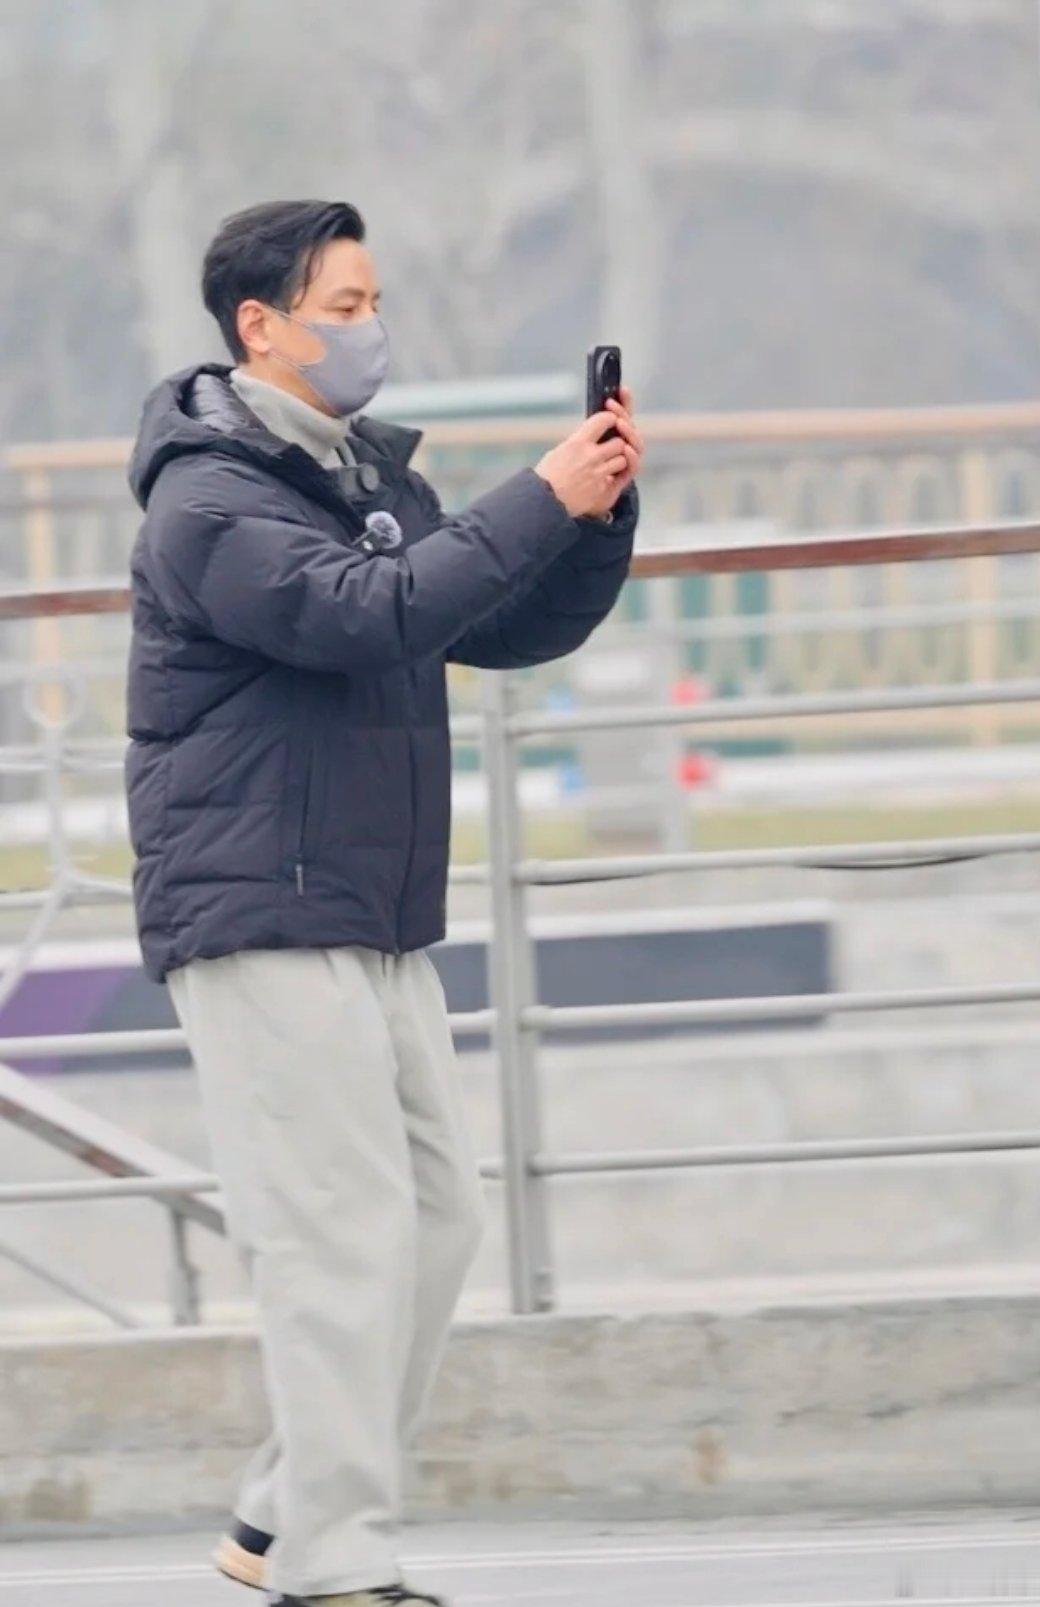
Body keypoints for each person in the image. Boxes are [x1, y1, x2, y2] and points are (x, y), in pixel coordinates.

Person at [122, 198, 643, 1607]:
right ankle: (335, 1562)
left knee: (435, 1219)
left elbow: (496, 618)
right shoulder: (209, 499)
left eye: (372, 302)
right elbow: (365, 614)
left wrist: (594, 512)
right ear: (261, 328)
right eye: (344, 308)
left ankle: (279, 1514)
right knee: (337, 1237)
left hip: (370, 903)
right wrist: (535, 494)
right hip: (258, 907)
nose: (371, 329)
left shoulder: (357, 474)